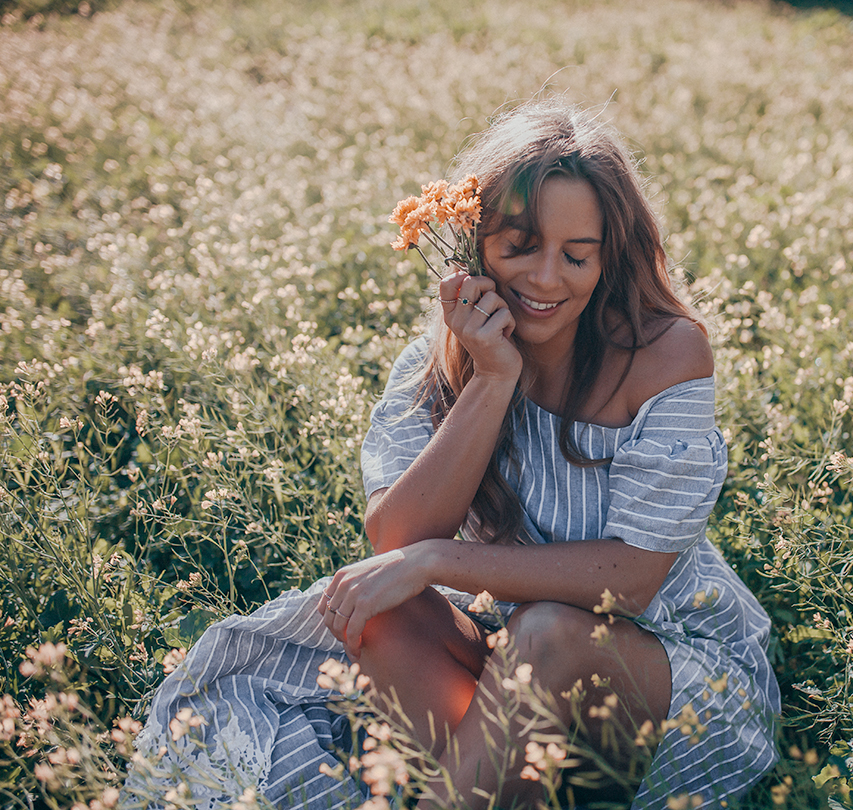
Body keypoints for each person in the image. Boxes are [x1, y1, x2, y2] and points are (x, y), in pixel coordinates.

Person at [122, 100, 779, 810]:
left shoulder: (665, 354)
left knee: (548, 635)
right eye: (520, 246)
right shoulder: (433, 367)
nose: (546, 279)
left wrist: (437, 563)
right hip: (513, 650)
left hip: (667, 676)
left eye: (576, 255)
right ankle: (506, 788)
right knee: (373, 608)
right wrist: (494, 379)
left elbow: (634, 581)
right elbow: (396, 540)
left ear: (608, 255)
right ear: (473, 240)